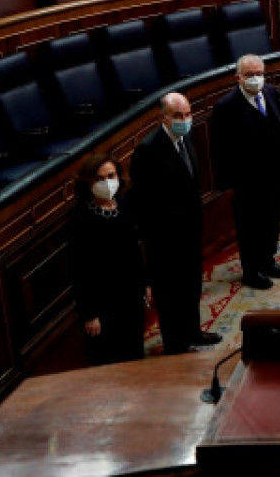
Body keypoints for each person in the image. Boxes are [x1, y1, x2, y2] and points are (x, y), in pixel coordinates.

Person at [130, 92, 221, 355]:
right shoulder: (147, 150)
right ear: (163, 118)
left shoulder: (186, 138)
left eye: (188, 114)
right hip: (164, 239)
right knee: (170, 294)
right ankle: (176, 345)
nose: (184, 120)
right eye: (178, 116)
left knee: (191, 286)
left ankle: (193, 331)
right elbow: (144, 203)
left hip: (190, 232)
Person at [211, 54, 280, 291]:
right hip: (246, 181)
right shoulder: (225, 106)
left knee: (271, 222)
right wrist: (228, 184)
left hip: (275, 175)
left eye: (259, 74)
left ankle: (267, 262)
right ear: (238, 77)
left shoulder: (271, 92)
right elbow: (220, 149)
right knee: (250, 228)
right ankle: (251, 272)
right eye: (249, 74)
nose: (255, 78)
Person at [71, 153, 149, 365]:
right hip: (102, 302)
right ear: (89, 182)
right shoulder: (81, 218)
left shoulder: (125, 205)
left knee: (134, 356)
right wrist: (89, 314)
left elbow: (135, 251)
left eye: (111, 176)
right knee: (108, 362)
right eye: (99, 178)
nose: (107, 182)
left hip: (130, 296)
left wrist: (145, 284)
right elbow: (80, 270)